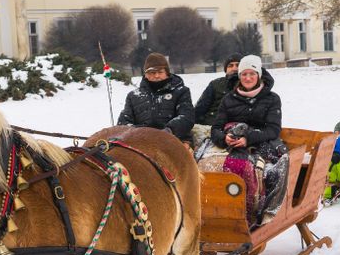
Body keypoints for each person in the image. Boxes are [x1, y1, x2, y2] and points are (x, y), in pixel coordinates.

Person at [204, 54, 288, 223]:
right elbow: (216, 128)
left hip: (263, 142)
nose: (248, 78)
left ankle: (259, 210)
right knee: (208, 164)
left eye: (252, 74)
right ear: (239, 76)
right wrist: (224, 138)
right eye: (244, 74)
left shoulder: (272, 98)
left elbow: (273, 129)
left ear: (259, 75)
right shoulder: (229, 99)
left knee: (272, 170)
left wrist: (248, 139)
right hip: (232, 143)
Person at [116, 52, 194, 141]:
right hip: (141, 140)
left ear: (167, 73)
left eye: (160, 72)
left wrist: (168, 131)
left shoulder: (181, 91)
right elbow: (124, 122)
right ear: (146, 74)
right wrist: (137, 133)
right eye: (152, 72)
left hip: (175, 139)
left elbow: (186, 117)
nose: (157, 76)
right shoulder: (133, 96)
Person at [194, 54, 242, 127]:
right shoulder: (215, 84)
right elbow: (200, 108)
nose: (234, 68)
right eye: (230, 66)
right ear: (226, 69)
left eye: (238, 65)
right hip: (211, 124)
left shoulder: (250, 85)